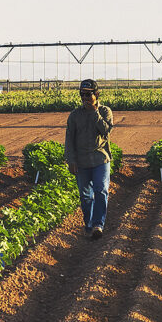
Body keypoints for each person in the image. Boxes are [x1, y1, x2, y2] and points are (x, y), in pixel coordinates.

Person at [64, 78, 115, 235]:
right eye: (83, 95)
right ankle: (90, 224)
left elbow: (106, 131)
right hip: (82, 162)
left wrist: (94, 112)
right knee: (86, 197)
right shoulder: (75, 115)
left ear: (97, 94)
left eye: (89, 95)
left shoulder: (105, 111)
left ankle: (98, 225)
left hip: (101, 159)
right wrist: (71, 160)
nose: (85, 98)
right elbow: (69, 140)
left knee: (101, 190)